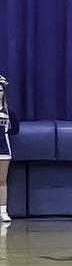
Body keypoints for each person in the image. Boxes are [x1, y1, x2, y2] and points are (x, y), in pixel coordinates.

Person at [0, 70, 16, 226]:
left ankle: (3, 211)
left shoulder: (8, 112)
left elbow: (14, 129)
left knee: (1, 181)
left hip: (3, 149)